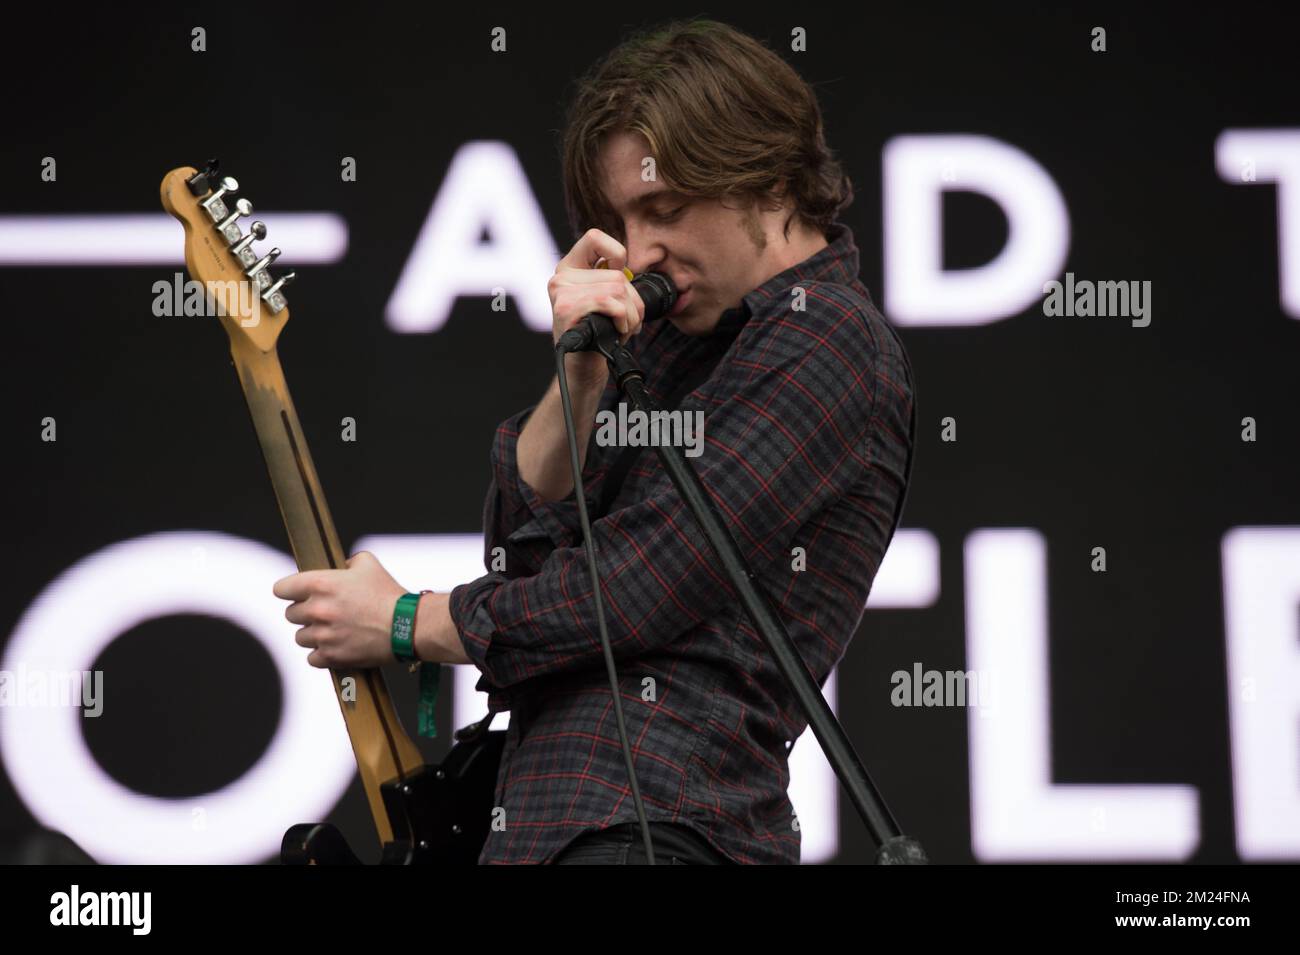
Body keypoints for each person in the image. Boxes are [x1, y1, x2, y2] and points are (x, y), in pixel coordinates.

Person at [273, 17, 916, 865]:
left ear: (764, 177)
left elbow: (641, 581)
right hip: (550, 825)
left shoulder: (829, 340)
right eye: (620, 217)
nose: (639, 248)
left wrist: (407, 622)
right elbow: (521, 548)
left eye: (665, 208)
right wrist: (577, 381)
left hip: (661, 827)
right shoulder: (662, 333)